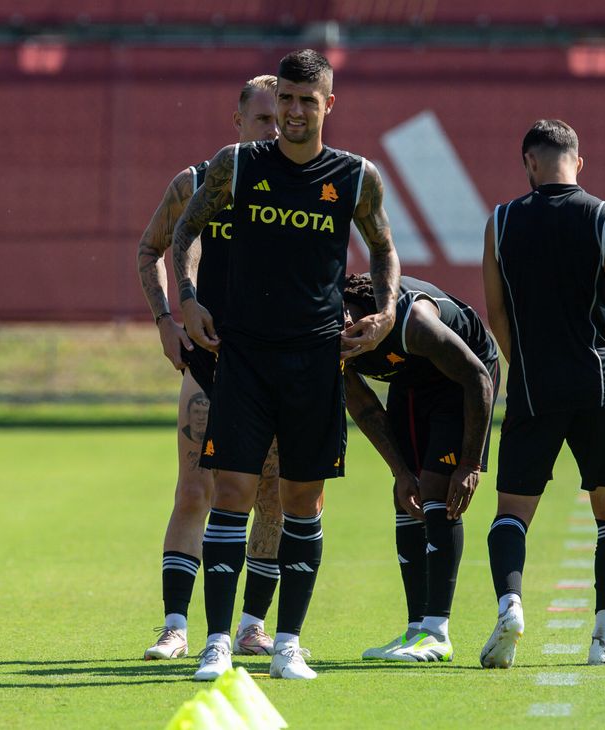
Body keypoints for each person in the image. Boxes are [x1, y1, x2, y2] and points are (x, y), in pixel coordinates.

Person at [173, 49, 400, 681]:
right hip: (244, 356)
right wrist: (187, 300)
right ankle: (217, 643)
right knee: (232, 493)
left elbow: (384, 249)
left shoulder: (355, 176)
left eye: (308, 100)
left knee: (303, 500)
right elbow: (185, 233)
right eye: (288, 100)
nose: (295, 112)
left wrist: (385, 313)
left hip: (316, 360)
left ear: (329, 105)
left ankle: (288, 645)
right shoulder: (238, 164)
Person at [480, 119, 605, 669]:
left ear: (529, 163)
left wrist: (526, 369)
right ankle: (604, 639)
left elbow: (496, 312)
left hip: (533, 387)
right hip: (597, 386)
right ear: (578, 162)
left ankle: (511, 605)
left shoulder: (500, 221)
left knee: (512, 512)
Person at [135, 75, 284, 661]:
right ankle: (175, 626)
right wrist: (165, 320)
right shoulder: (196, 183)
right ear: (238, 122)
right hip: (209, 362)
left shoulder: (299, 187)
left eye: (281, 119)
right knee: (195, 491)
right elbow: (150, 248)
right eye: (263, 119)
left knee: (271, 496)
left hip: (273, 365)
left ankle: (251, 626)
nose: (274, 129)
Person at [342, 273, 497, 663]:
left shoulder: (413, 322)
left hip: (463, 378)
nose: (341, 341)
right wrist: (399, 471)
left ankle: (437, 632)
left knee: (435, 489)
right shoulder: (326, 340)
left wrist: (470, 463)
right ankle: (416, 630)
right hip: (411, 380)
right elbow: (363, 406)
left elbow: (478, 377)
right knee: (406, 496)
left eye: (345, 330)